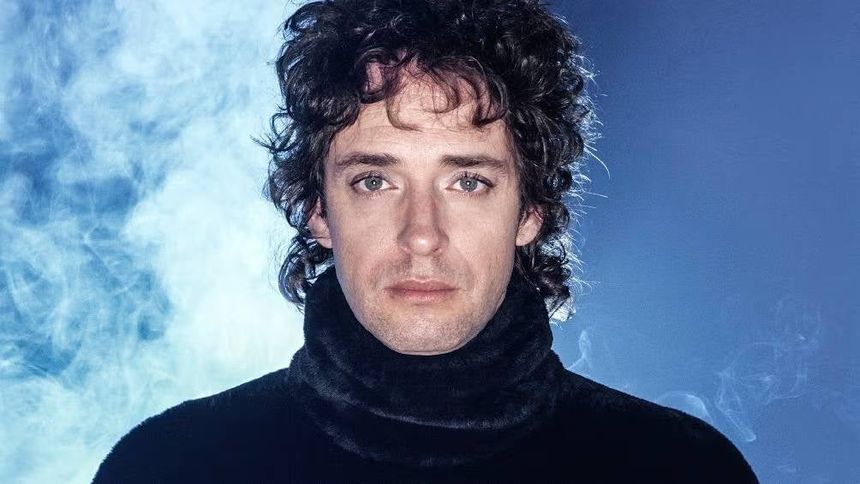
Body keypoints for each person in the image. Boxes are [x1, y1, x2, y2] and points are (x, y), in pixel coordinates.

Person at [93, 0, 759, 482]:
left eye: (467, 181)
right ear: (317, 209)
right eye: (375, 181)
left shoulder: (680, 468)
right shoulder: (171, 466)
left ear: (530, 210)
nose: (421, 236)